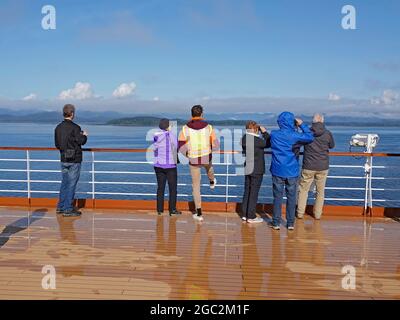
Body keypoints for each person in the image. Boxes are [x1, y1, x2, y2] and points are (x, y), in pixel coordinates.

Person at [269, 112, 314, 231]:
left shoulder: (274, 134)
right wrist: (302, 125)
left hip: (277, 170)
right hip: (292, 171)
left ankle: (276, 222)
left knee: (277, 198)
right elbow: (310, 137)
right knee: (291, 197)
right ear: (291, 122)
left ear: (279, 122)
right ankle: (290, 223)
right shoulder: (295, 136)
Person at [178, 105, 219, 222]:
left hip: (193, 159)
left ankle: (199, 213)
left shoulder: (185, 128)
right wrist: (210, 149)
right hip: (206, 156)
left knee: (196, 187)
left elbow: (181, 146)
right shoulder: (209, 128)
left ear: (191, 114)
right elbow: (216, 146)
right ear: (202, 114)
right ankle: (212, 181)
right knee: (209, 168)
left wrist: (188, 154)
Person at [297, 113, 335, 220]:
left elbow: (299, 142)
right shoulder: (327, 133)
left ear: (313, 121)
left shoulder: (307, 132)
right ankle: (317, 215)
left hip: (308, 166)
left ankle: (300, 213)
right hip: (322, 166)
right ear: (322, 121)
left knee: (303, 190)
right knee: (320, 192)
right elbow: (332, 146)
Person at [55, 104, 88, 217]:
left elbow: (57, 144)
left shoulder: (58, 128)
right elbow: (81, 141)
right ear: (72, 113)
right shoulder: (76, 128)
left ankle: (60, 206)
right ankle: (68, 208)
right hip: (74, 160)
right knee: (71, 184)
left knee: (65, 182)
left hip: (63, 158)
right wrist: (84, 135)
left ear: (64, 113)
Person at [240, 121, 271, 223]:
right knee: (254, 193)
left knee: (247, 191)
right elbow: (269, 143)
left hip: (248, 168)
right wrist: (264, 132)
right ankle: (251, 216)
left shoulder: (244, 138)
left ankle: (244, 214)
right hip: (257, 169)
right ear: (255, 129)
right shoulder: (257, 141)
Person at [153, 118, 182, 216]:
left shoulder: (156, 135)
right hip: (170, 165)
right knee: (172, 188)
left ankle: (160, 210)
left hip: (158, 165)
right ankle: (172, 210)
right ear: (167, 126)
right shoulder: (171, 135)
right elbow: (177, 147)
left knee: (160, 188)